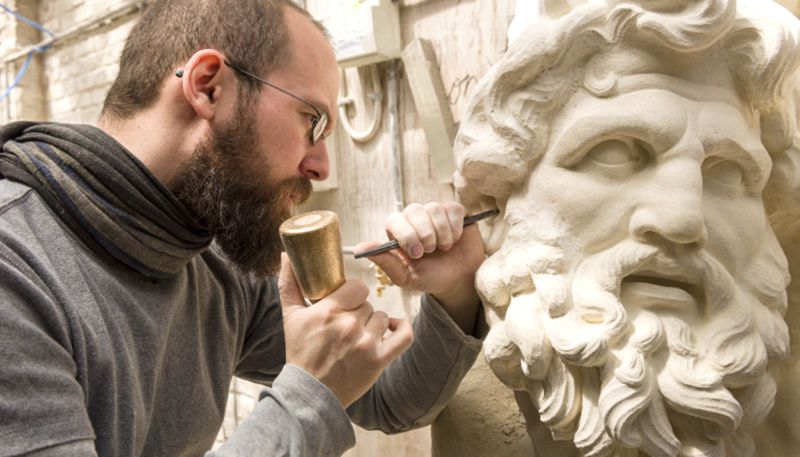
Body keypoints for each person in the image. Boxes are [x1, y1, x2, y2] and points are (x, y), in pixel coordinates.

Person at [0, 1, 485, 455]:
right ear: (208, 85)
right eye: (311, 121)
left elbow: (391, 400)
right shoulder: (16, 269)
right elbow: (319, 394)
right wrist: (306, 396)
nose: (320, 167)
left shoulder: (214, 260)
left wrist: (455, 292)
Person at [449, 0, 800, 456]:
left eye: (728, 171)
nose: (682, 221)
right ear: (500, 197)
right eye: (614, 151)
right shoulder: (456, 393)